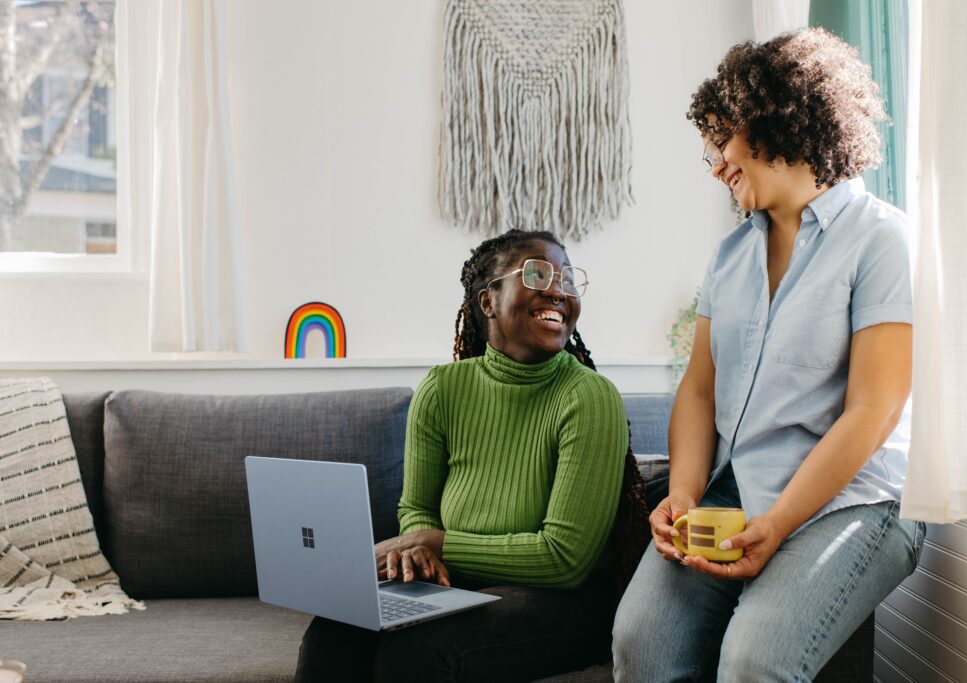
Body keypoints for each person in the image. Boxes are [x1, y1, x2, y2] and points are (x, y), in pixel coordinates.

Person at [612, 28, 926, 682]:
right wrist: (687, 493)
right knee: (640, 641)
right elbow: (699, 390)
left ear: (779, 119)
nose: (716, 163)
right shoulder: (730, 257)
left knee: (755, 659)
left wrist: (781, 521)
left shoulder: (881, 240)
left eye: (723, 138)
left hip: (852, 502)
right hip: (737, 490)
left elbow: (875, 408)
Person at [295, 229, 649, 682]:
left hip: (561, 599)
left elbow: (565, 560)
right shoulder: (443, 388)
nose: (558, 290)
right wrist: (417, 553)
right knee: (335, 631)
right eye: (538, 273)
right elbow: (417, 507)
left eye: (567, 278)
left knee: (418, 652)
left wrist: (434, 544)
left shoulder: (589, 396)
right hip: (457, 583)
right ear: (488, 302)